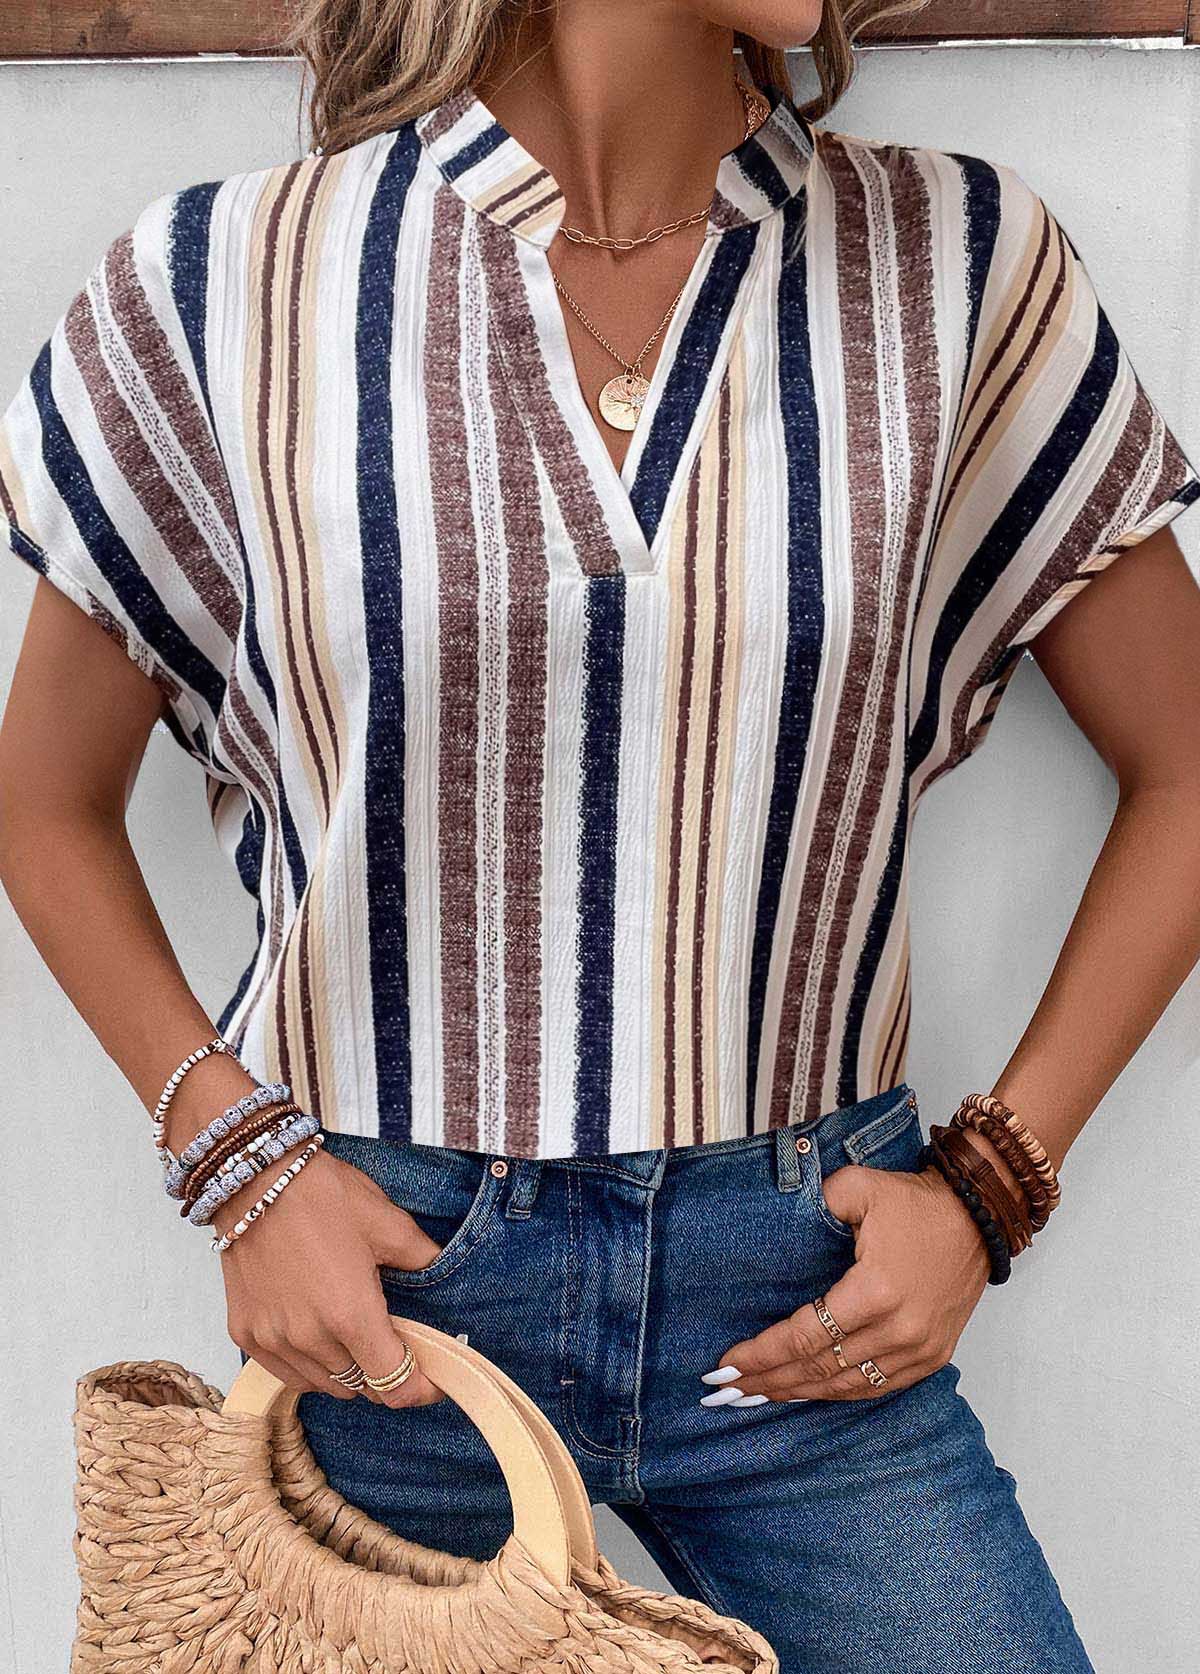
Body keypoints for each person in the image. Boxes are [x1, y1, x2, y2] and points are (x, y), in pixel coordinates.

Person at [2, 2, 1199, 1668]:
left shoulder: (956, 261)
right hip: (395, 1310)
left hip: (803, 1298)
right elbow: (45, 805)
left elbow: (1184, 766)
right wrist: (243, 1167)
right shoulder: (228, 282)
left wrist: (991, 1186)